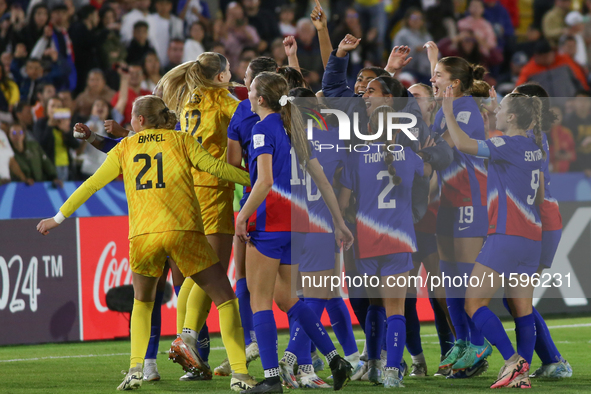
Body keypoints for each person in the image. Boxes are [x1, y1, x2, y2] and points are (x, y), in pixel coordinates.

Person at [36, 95, 252, 391]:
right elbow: (215, 168)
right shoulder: (181, 140)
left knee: (142, 304)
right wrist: (256, 177)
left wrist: (56, 219)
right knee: (225, 300)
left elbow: (92, 185)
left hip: (143, 237)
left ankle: (136, 369)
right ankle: (240, 375)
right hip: (183, 232)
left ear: (139, 120)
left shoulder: (125, 147)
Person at [235, 71, 353, 394]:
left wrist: (242, 216)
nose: (247, 91)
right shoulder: (295, 129)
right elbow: (322, 179)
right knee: (288, 299)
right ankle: (334, 359)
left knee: (260, 302)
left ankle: (272, 378)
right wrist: (339, 222)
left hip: (268, 223)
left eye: (251, 88)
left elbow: (264, 181)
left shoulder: (262, 129)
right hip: (296, 225)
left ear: (259, 99)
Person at [155, 52, 253, 387]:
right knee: (212, 273)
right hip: (213, 192)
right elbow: (254, 117)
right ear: (222, 76)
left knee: (195, 271)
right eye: (229, 71)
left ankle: (186, 338)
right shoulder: (227, 102)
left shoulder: (188, 100)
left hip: (185, 193)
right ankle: (190, 339)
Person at [443, 89, 545, 389]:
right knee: (522, 309)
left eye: (500, 107)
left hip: (506, 234)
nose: (495, 110)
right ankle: (521, 376)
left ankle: (512, 360)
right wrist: (496, 107)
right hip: (531, 237)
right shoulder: (534, 147)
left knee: (473, 302)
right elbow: (538, 195)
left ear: (512, 116)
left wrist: (448, 111)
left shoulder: (506, 144)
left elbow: (463, 143)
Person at [214, 56, 278, 378]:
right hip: (295, 207)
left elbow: (231, 164)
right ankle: (306, 358)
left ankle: (255, 346)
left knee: (247, 283)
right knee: (295, 293)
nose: (245, 88)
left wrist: (253, 181)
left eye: (249, 83)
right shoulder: (295, 111)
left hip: (254, 206)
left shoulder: (243, 113)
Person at [430, 56, 491, 376]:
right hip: (447, 201)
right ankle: (463, 342)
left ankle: (478, 341)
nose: (432, 79)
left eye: (437, 75)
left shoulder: (465, 107)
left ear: (454, 83)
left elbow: (448, 147)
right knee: (447, 276)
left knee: (465, 278)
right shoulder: (446, 107)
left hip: (469, 197)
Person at [511, 83, 573, 379]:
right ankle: (551, 360)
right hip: (541, 218)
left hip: (540, 220)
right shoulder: (536, 137)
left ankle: (553, 361)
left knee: (518, 298)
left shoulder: (528, 139)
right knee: (516, 298)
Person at [33, 97, 80, 181]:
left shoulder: (65, 123)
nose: (55, 109)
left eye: (58, 106)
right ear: (47, 109)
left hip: (66, 166)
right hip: (49, 167)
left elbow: (76, 145)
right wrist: (49, 125)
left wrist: (66, 132)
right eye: (52, 106)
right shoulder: (41, 123)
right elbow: (40, 145)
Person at [393, 8, 433, 83]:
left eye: (419, 18)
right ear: (408, 20)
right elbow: (396, 54)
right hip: (408, 70)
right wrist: (414, 49)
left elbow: (435, 52)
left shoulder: (426, 35)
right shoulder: (402, 35)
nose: (416, 20)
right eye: (414, 17)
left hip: (426, 71)